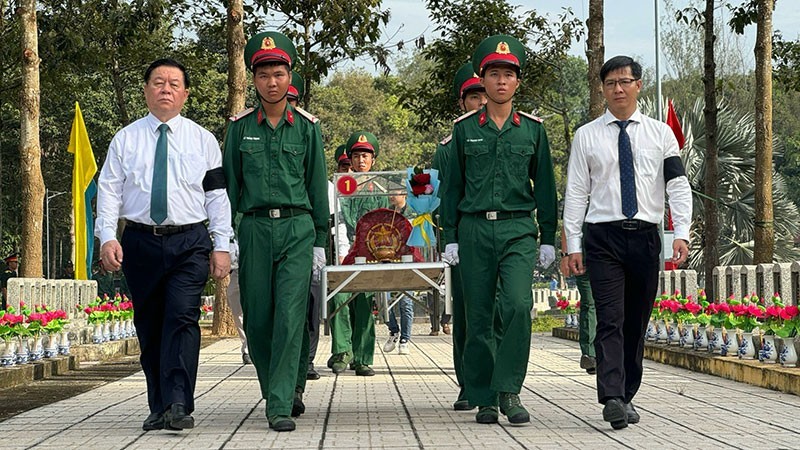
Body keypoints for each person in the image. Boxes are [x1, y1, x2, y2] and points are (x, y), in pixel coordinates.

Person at [95, 58, 233, 432]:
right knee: (150, 323)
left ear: (185, 93)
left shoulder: (203, 140)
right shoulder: (125, 139)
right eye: (158, 82)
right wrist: (106, 235)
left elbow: (218, 196)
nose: (166, 89)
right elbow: (108, 192)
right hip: (139, 241)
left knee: (182, 317)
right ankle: (157, 403)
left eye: (174, 84)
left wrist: (223, 244)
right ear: (146, 90)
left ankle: (179, 402)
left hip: (190, 242)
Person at [563, 55, 692, 430]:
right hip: (603, 237)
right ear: (602, 89)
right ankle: (612, 396)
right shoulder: (586, 135)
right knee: (610, 319)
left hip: (646, 237)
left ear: (638, 85)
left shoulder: (661, 135)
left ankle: (628, 393)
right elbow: (575, 192)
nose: (617, 89)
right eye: (610, 83)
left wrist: (680, 231)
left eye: (624, 82)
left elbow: (677, 185)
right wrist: (573, 244)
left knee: (636, 320)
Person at [441, 35, 558, 425]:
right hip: (474, 231)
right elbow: (452, 187)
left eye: (508, 74)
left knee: (518, 307)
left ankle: (510, 390)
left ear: (517, 82)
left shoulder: (533, 131)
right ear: (483, 79)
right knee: (478, 316)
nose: (501, 81)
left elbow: (544, 186)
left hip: (517, 231)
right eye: (494, 74)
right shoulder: (464, 130)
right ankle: (485, 395)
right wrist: (450, 236)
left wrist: (548, 238)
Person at [223, 31, 329, 433]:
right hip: (252, 229)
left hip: (297, 229)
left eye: (279, 72)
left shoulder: (306, 128)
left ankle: (281, 402)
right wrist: (226, 237)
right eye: (264, 73)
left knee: (290, 315)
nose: (272, 81)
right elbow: (229, 188)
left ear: (290, 77)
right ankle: (276, 389)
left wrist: (319, 242)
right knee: (260, 319)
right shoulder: (239, 129)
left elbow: (318, 188)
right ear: (254, 79)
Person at [431, 61, 486, 411]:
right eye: (473, 97)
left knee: (499, 309)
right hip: (464, 236)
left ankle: (497, 382)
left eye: (483, 95)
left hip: (501, 233)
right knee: (465, 310)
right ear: (462, 102)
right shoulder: (448, 146)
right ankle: (467, 382)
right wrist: (449, 238)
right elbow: (442, 197)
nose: (480, 102)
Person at [327, 131, 388, 376]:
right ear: (349, 160)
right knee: (340, 299)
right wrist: (342, 252)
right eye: (356, 156)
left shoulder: (379, 187)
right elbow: (339, 220)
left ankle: (363, 358)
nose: (361, 160)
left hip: (371, 252)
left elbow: (384, 222)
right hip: (345, 250)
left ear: (373, 160)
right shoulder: (343, 187)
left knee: (364, 302)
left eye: (365, 155)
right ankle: (342, 352)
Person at [306, 144, 350, 380]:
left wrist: (340, 251)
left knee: (312, 308)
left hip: (319, 253)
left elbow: (338, 224)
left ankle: (308, 360)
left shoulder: (328, 188)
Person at [559, 223, 596, 374]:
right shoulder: (577, 199)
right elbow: (566, 224)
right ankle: (589, 354)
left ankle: (606, 351)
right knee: (589, 303)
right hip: (581, 258)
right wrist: (565, 255)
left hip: (606, 256)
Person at [382, 193, 415, 355]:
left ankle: (405, 339)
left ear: (404, 194)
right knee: (384, 300)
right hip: (387, 260)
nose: (391, 196)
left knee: (406, 301)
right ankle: (393, 331)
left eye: (395, 192)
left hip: (407, 260)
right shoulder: (386, 214)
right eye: (390, 193)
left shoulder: (414, 212)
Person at [226, 239, 251, 365]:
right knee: (238, 311)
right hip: (237, 269)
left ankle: (248, 350)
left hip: (256, 266)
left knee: (255, 311)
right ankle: (247, 346)